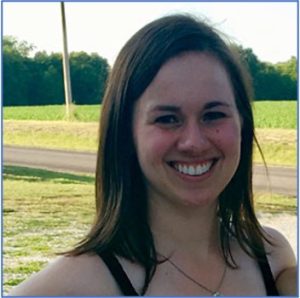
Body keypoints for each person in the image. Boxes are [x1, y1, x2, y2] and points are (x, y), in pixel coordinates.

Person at [9, 14, 296, 296]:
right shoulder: (73, 286)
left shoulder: (273, 260)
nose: (193, 142)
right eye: (167, 119)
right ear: (126, 133)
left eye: (214, 115)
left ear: (242, 124)